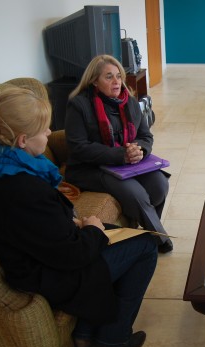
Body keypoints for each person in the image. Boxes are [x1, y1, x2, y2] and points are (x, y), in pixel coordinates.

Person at [0, 87, 158, 347]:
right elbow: (72, 255)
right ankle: (113, 337)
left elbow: (36, 227)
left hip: (35, 254)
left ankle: (84, 331)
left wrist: (74, 223)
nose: (49, 134)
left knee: (125, 236)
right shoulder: (22, 189)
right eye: (44, 129)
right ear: (22, 139)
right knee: (146, 246)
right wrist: (92, 229)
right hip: (46, 272)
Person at [64, 54, 172, 253]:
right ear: (94, 81)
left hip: (126, 163)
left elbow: (145, 135)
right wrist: (121, 155)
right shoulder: (79, 105)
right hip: (90, 168)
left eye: (118, 76)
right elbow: (78, 147)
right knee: (135, 193)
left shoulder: (129, 102)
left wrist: (139, 149)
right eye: (109, 77)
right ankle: (157, 240)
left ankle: (145, 230)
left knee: (160, 184)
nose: (117, 82)